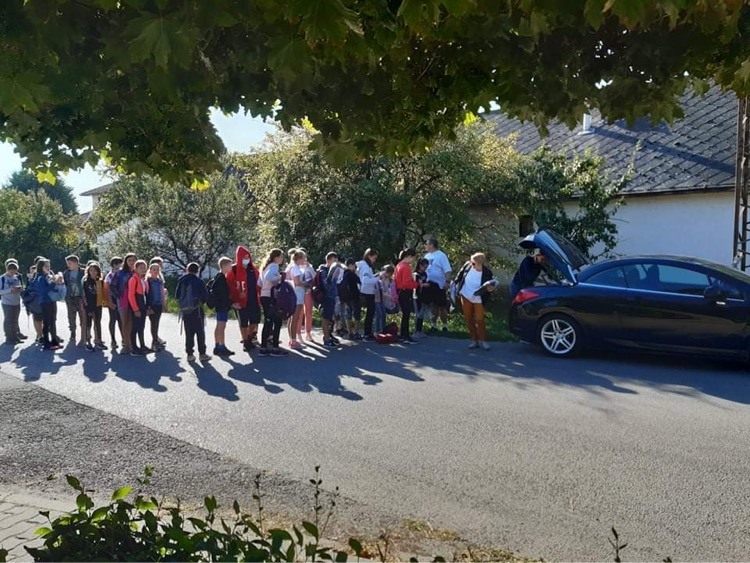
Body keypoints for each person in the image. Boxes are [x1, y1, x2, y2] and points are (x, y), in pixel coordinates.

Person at [454, 253, 495, 350]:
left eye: (473, 263)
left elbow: (490, 285)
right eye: (471, 262)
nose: (471, 264)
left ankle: (483, 341)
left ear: (479, 263)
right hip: (465, 295)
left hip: (478, 298)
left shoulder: (487, 272)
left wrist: (490, 289)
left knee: (480, 319)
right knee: (468, 318)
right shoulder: (467, 266)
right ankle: (474, 340)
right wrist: (455, 286)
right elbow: (459, 277)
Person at [226, 246, 261, 353]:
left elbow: (259, 282)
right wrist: (235, 296)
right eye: (244, 257)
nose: (247, 259)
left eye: (248, 257)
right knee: (243, 323)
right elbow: (229, 285)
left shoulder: (253, 269)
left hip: (254, 299)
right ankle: (246, 341)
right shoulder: (234, 270)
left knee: (255, 321)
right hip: (240, 301)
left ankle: (249, 337)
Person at [175, 262, 210, 362]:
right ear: (197, 271)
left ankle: (190, 354)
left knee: (189, 333)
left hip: (185, 311)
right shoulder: (199, 281)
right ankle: (202, 354)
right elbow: (204, 296)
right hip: (197, 310)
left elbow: (177, 295)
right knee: (200, 332)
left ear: (187, 270)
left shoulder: (181, 280)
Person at [258, 248, 288, 357]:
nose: (282, 259)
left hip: (264, 295)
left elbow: (259, 282)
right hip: (271, 297)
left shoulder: (265, 267)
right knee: (277, 321)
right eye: (281, 256)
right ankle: (275, 348)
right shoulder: (274, 266)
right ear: (276, 257)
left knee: (268, 321)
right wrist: (279, 278)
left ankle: (263, 347)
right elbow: (269, 277)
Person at [395, 249, 424, 344]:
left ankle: (403, 334)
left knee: (405, 314)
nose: (413, 260)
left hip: (399, 291)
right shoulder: (406, 266)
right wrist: (416, 284)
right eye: (413, 257)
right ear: (409, 256)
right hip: (405, 292)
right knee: (406, 314)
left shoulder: (399, 265)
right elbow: (406, 283)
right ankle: (405, 336)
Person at [424, 238, 453, 333]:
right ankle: (434, 325)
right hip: (429, 284)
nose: (425, 246)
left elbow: (447, 270)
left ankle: (444, 325)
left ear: (432, 245)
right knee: (432, 305)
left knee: (441, 306)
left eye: (427, 244)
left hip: (439, 285)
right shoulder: (427, 256)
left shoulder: (441, 255)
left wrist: (447, 282)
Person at [35, 258, 64, 351]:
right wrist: (54, 283)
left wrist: (57, 281)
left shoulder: (49, 276)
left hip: (52, 300)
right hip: (45, 302)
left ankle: (54, 341)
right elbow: (44, 290)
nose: (48, 268)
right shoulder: (40, 278)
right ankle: (46, 342)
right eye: (46, 266)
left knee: (53, 321)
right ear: (41, 267)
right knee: (47, 322)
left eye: (49, 266)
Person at [318, 252, 344, 348]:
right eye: (334, 260)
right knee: (326, 318)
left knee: (331, 318)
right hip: (327, 297)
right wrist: (334, 277)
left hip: (333, 296)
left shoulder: (331, 269)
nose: (335, 262)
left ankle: (329, 335)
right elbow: (326, 285)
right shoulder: (323, 271)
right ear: (328, 260)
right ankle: (326, 339)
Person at [113, 253, 137, 355]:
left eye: (133, 260)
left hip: (135, 300)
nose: (131, 262)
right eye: (129, 260)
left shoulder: (137, 272)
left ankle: (132, 344)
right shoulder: (120, 273)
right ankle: (126, 345)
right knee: (125, 322)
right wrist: (119, 295)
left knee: (132, 323)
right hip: (123, 300)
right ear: (126, 262)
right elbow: (112, 286)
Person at [127, 259, 151, 356]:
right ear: (136, 269)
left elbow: (145, 294)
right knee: (135, 328)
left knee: (141, 327)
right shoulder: (133, 279)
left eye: (144, 268)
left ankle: (142, 346)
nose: (143, 270)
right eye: (141, 268)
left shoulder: (143, 280)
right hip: (136, 307)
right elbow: (131, 295)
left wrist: (147, 307)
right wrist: (135, 309)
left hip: (142, 306)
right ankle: (134, 348)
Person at [212, 256, 234, 356]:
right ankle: (222, 346)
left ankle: (217, 345)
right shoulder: (221, 279)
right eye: (230, 265)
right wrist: (231, 303)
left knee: (218, 326)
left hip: (219, 305)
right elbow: (223, 295)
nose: (231, 267)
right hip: (222, 306)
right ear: (224, 266)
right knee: (221, 326)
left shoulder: (218, 277)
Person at [63, 254, 87, 345]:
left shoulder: (83, 272)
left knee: (83, 316)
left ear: (76, 263)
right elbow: (66, 283)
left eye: (70, 263)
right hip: (70, 297)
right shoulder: (66, 273)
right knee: (71, 316)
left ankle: (84, 333)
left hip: (80, 297)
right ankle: (72, 332)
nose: (68, 265)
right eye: (67, 264)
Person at [1, 259, 26, 345]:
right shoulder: (2, 278)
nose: (13, 273)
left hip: (16, 302)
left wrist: (20, 289)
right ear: (7, 269)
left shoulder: (16, 277)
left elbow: (20, 287)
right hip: (7, 303)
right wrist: (10, 290)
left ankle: (15, 336)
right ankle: (9, 337)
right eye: (11, 272)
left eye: (14, 272)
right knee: (8, 320)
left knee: (15, 320)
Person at [82, 262, 106, 351]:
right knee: (89, 324)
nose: (93, 272)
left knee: (98, 323)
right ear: (88, 271)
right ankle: (88, 342)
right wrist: (87, 306)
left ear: (98, 271)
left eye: (95, 270)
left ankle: (99, 341)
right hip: (89, 305)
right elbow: (84, 294)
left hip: (98, 305)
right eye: (91, 270)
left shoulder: (100, 281)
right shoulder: (86, 281)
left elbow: (102, 293)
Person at [287, 249, 308, 349]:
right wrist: (306, 283)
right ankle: (294, 341)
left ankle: (292, 339)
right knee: (295, 317)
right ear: (299, 258)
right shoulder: (295, 268)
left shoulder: (292, 266)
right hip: (297, 294)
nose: (304, 260)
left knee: (292, 318)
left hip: (295, 293)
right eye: (303, 258)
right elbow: (297, 282)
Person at [356, 249, 378, 340]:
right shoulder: (365, 267)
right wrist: (378, 278)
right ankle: (367, 333)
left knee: (370, 313)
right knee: (370, 314)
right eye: (374, 258)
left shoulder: (366, 266)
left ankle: (368, 332)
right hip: (367, 292)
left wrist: (375, 276)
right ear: (369, 256)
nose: (374, 260)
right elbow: (365, 281)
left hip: (368, 291)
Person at [339, 258, 362, 340]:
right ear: (351, 265)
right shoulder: (352, 274)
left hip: (346, 297)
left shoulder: (343, 274)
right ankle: (356, 332)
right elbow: (359, 282)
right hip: (354, 296)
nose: (355, 267)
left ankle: (349, 332)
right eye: (354, 265)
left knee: (348, 315)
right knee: (357, 315)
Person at [104, 257, 123, 351]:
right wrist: (110, 302)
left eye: (119, 263)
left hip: (121, 299)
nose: (118, 265)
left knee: (121, 320)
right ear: (113, 265)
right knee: (113, 320)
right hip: (113, 300)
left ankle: (124, 338)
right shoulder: (109, 276)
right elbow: (107, 291)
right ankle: (113, 340)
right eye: (116, 264)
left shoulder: (122, 274)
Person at [146, 262, 167, 351]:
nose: (156, 271)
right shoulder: (148, 281)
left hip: (159, 304)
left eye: (157, 269)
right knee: (153, 323)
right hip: (152, 305)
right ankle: (154, 342)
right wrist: (148, 306)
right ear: (150, 270)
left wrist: (164, 304)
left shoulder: (160, 281)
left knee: (157, 323)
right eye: (154, 269)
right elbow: (146, 294)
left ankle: (156, 340)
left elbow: (162, 293)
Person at [374, 265, 396, 334]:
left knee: (383, 314)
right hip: (377, 298)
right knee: (379, 315)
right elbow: (382, 290)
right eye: (390, 274)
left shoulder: (387, 279)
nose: (390, 275)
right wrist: (390, 296)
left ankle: (383, 330)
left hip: (382, 300)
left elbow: (387, 289)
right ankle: (377, 331)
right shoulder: (380, 277)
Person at [413, 258, 431, 340]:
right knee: (418, 313)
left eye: (426, 267)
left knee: (422, 313)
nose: (425, 269)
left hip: (423, 296)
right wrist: (423, 285)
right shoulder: (416, 274)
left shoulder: (424, 274)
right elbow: (415, 285)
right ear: (420, 265)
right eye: (424, 267)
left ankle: (420, 330)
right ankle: (416, 331)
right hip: (416, 296)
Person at [27, 263, 43, 343]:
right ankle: (39, 335)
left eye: (34, 271)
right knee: (36, 319)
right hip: (34, 302)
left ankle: (41, 334)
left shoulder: (40, 278)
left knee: (42, 320)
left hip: (42, 301)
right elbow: (27, 291)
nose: (33, 273)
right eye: (31, 271)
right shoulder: (30, 280)